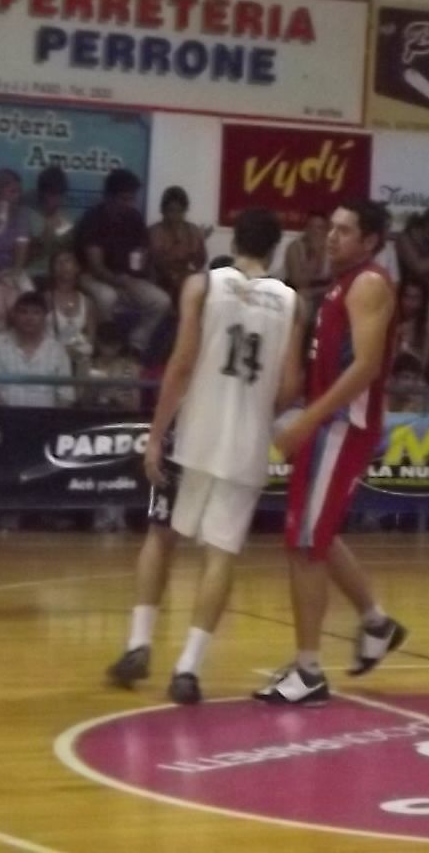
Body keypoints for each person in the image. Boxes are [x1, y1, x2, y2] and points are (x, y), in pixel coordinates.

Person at [107, 208, 303, 705]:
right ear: (275, 249)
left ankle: (138, 645)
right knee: (220, 555)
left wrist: (156, 434)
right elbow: (292, 385)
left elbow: (181, 363)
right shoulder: (291, 302)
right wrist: (258, 412)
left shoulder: (202, 285)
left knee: (160, 537)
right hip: (246, 445)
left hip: (194, 437)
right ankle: (188, 669)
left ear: (234, 243)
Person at [255, 199, 407, 707]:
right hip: (329, 423)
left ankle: (309, 671)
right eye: (332, 229)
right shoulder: (338, 286)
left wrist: (307, 420)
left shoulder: (368, 284)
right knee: (314, 533)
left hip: (341, 427)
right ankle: (376, 623)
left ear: (370, 241)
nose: (332, 237)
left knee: (304, 544)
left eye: (345, 230)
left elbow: (365, 368)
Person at [76, 169, 172, 354]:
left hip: (126, 277)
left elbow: (141, 254)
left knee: (161, 301)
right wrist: (119, 281)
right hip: (92, 276)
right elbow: (96, 266)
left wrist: (144, 264)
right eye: (124, 199)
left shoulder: (134, 218)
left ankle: (135, 345)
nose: (129, 204)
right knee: (107, 296)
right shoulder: (93, 219)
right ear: (108, 197)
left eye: (132, 199)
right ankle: (104, 347)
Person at [0, 293, 76, 409]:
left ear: (45, 317)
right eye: (23, 312)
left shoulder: (58, 350)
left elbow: (66, 396)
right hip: (3, 418)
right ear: (14, 315)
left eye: (36, 312)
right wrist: (10, 417)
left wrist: (50, 418)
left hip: (48, 419)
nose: (29, 318)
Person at [148, 186, 209, 300]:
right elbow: (157, 263)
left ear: (185, 211)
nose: (175, 216)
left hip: (186, 278)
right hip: (160, 281)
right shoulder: (154, 231)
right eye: (171, 210)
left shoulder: (192, 230)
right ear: (163, 210)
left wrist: (200, 240)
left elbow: (200, 262)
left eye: (179, 211)